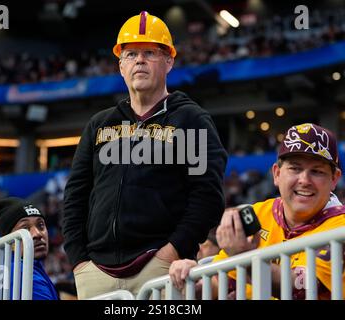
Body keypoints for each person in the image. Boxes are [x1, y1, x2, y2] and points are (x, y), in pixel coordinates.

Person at [63, 11, 227, 299]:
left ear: (169, 61)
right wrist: (79, 261)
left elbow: (208, 196)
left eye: (150, 52)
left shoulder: (191, 120)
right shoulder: (99, 124)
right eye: (130, 54)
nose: (139, 60)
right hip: (95, 274)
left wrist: (171, 251)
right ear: (120, 66)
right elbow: (75, 196)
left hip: (162, 267)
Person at [170, 123, 345, 299]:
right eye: (295, 168)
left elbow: (302, 288)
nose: (304, 180)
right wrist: (190, 278)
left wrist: (245, 259)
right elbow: (221, 282)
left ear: (334, 179)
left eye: (317, 171)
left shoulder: (341, 228)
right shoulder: (257, 213)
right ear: (276, 174)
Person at [0, 197, 59, 300]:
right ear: (8, 240)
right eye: (25, 228)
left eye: (41, 225)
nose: (37, 234)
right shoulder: (24, 275)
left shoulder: (5, 269)